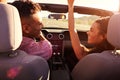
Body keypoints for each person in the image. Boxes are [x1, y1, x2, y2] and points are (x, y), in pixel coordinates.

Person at [0, 3, 49, 80]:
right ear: (26, 28)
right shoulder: (31, 47)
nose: (42, 26)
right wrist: (41, 36)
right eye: (40, 24)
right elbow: (48, 48)